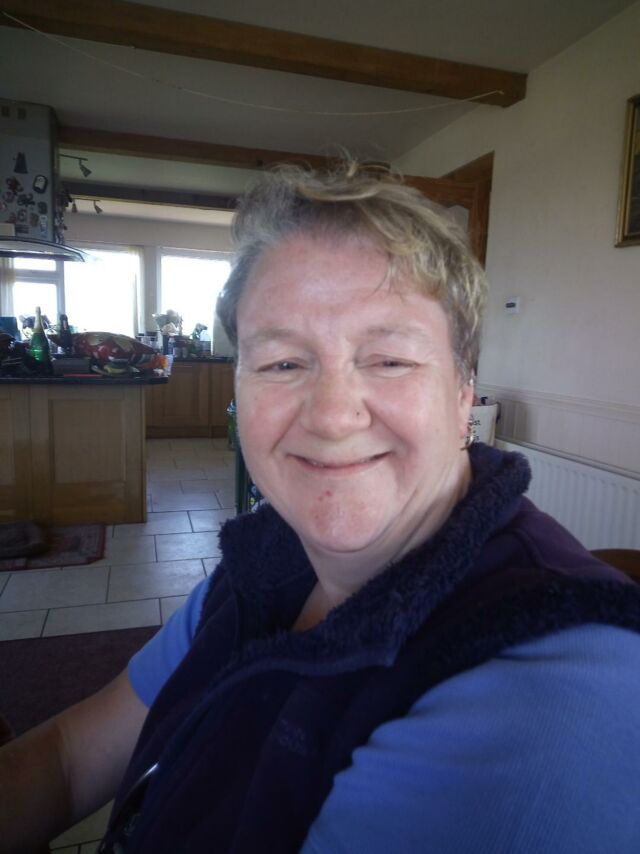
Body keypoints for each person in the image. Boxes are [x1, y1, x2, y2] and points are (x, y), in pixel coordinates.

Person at [1, 162, 640, 854]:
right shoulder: (262, 566)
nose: (333, 417)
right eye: (282, 363)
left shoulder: (550, 700)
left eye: (390, 359)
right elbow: (68, 759)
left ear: (463, 397)